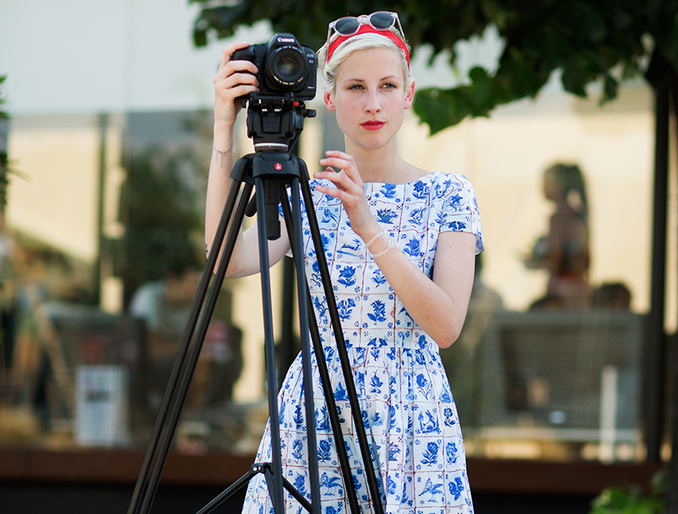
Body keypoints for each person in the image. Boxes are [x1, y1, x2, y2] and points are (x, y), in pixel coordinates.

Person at [207, 11, 483, 513]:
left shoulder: (448, 194)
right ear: (329, 98)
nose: (373, 103)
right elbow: (225, 260)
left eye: (387, 86)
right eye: (356, 87)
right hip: (317, 407)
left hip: (410, 413)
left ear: (408, 94)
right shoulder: (308, 194)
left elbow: (445, 326)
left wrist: (368, 226)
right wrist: (223, 130)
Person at [525, 163, 591, 309]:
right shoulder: (578, 215)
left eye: (547, 182)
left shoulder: (558, 218)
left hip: (562, 290)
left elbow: (556, 258)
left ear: (559, 185)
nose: (543, 187)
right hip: (578, 288)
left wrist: (536, 260)